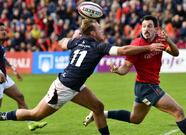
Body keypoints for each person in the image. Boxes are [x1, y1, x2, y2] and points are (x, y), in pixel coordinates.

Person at [0, 19, 163, 135]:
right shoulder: (99, 46)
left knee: (98, 107)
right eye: (99, 29)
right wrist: (148, 47)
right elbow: (124, 51)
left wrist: (61, 37)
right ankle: (2, 116)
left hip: (75, 86)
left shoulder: (78, 41)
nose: (102, 31)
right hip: (63, 88)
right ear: (93, 33)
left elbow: (63, 43)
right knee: (35, 114)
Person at [83, 15, 186, 135]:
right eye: (144, 26)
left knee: (135, 119)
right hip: (147, 87)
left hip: (145, 86)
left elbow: (175, 53)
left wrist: (168, 40)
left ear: (156, 29)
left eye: (149, 26)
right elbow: (125, 68)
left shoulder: (160, 39)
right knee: (178, 111)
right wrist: (117, 70)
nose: (146, 29)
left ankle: (102, 114)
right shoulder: (137, 45)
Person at [0, 23, 47, 131]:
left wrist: (13, 68)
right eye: (1, 30)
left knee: (20, 97)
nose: (4, 31)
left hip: (4, 79)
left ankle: (31, 123)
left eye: (5, 30)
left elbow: (3, 59)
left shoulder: (2, 46)